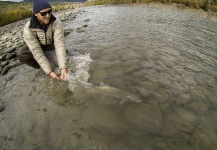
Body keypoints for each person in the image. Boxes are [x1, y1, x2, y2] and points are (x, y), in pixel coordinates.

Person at [17, 0, 67, 80]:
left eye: (49, 11)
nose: (48, 15)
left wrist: (63, 67)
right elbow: (36, 51)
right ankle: (43, 68)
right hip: (38, 47)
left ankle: (55, 64)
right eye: (43, 13)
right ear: (36, 14)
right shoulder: (28, 28)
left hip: (52, 46)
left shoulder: (56, 23)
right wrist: (49, 71)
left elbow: (59, 45)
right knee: (21, 53)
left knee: (66, 58)